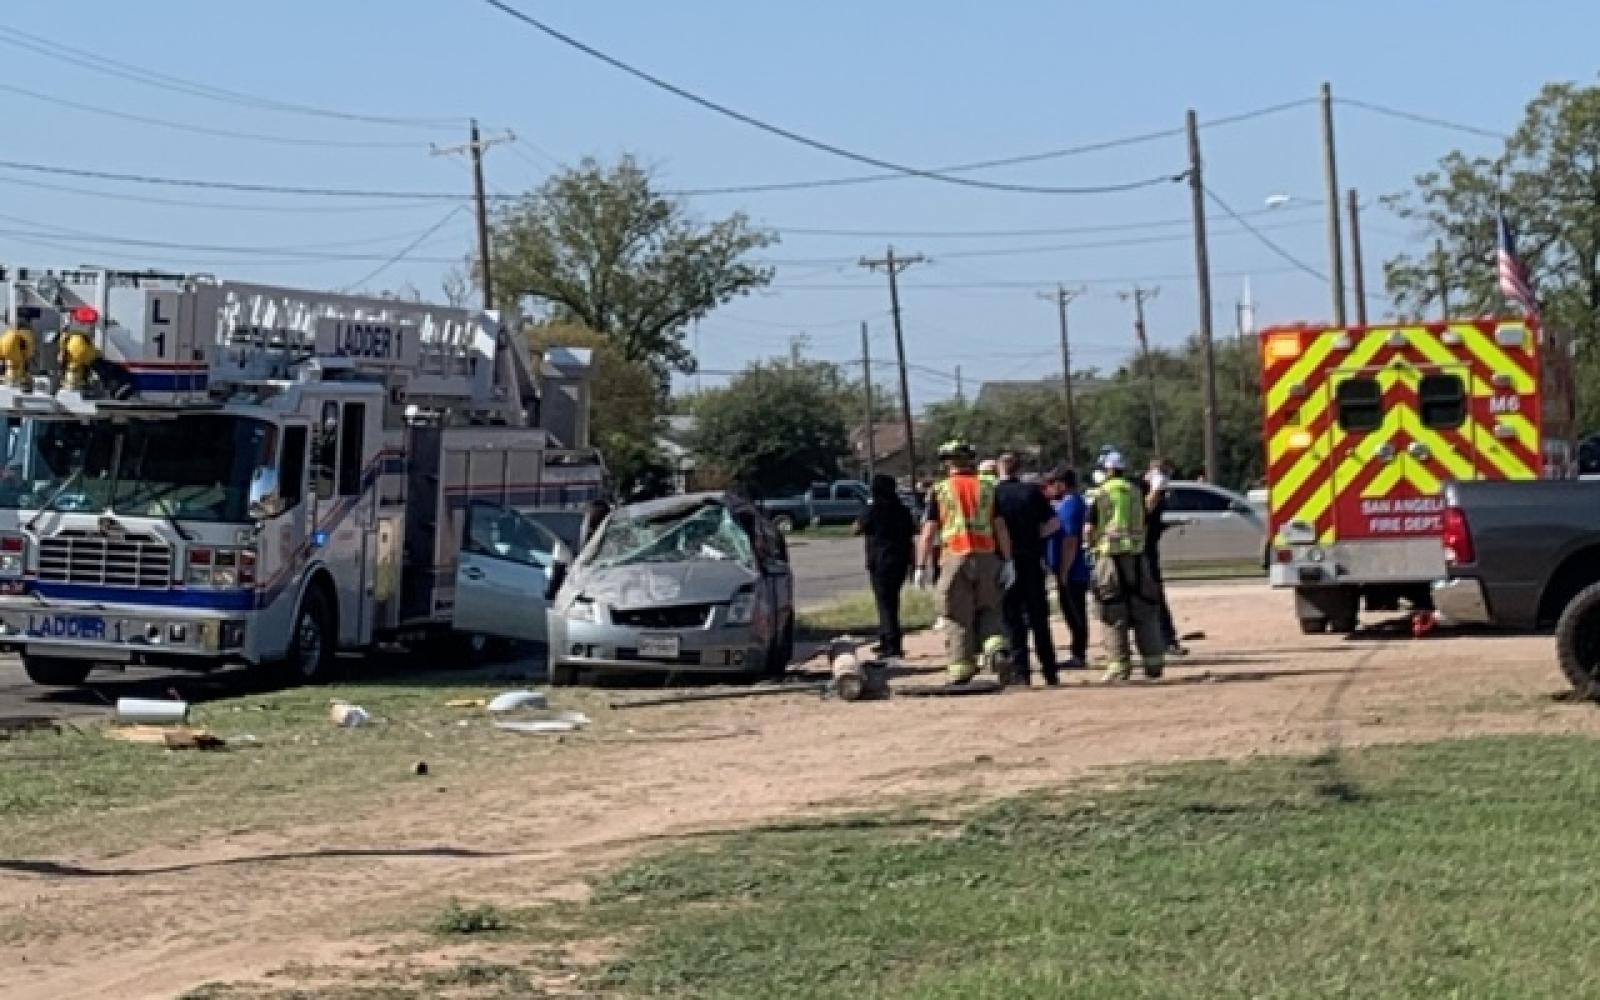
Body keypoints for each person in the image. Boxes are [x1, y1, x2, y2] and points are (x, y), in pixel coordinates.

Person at [915, 440, 1015, 684]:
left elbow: (929, 532)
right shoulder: (987, 488)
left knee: (957, 614)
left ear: (947, 463)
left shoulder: (940, 491)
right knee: (989, 608)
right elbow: (1000, 527)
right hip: (987, 557)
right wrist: (1008, 560)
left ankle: (961, 668)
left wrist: (920, 566)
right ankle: (996, 649)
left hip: (955, 556)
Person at [1086, 450, 1165, 683]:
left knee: (1112, 611)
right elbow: (1146, 517)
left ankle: (1119, 666)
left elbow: (1089, 529)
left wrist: (1089, 547)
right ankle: (1154, 662)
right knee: (1144, 609)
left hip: (1109, 559)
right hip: (1138, 559)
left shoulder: (1099, 493)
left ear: (1107, 470)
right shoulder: (1135, 491)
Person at [994, 452, 1061, 686]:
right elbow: (1053, 523)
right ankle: (1050, 671)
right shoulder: (1032, 492)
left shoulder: (994, 494)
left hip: (1006, 561)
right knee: (1039, 618)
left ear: (999, 469)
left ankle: (1021, 672)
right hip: (1032, 559)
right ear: (1019, 469)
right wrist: (1034, 538)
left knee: (1013, 619)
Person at [855, 474, 916, 658]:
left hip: (880, 561)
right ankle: (886, 639)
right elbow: (912, 532)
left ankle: (891, 644)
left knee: (885, 603)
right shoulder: (903, 510)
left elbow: (856, 528)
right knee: (892, 601)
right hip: (900, 560)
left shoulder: (873, 510)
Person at [1044, 466, 1090, 670]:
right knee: (1069, 610)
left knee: (1075, 611)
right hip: (1066, 569)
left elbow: (1070, 541)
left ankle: (1079, 653)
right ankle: (1077, 651)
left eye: (1052, 484)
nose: (1050, 488)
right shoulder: (1064, 505)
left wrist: (1063, 570)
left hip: (1073, 570)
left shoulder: (1072, 506)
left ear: (1061, 484)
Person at [1142, 457, 1186, 656]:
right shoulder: (1145, 491)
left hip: (1148, 551)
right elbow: (1143, 513)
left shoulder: (1160, 495)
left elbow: (1151, 516)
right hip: (1141, 551)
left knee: (1154, 595)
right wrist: (1154, 490)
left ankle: (1166, 639)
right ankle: (1161, 639)